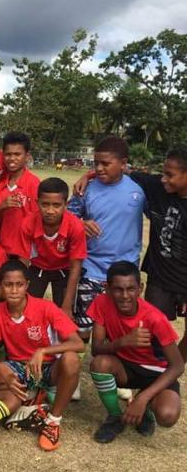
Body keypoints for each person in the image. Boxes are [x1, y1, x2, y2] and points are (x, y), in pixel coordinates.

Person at [75, 145, 187, 361]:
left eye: (170, 175)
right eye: (163, 173)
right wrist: (88, 175)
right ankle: (150, 368)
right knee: (152, 330)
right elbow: (116, 168)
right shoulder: (157, 187)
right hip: (159, 278)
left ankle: (173, 369)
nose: (163, 178)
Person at [0, 261, 84, 451]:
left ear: (27, 285)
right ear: (0, 286)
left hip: (48, 368)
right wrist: (6, 377)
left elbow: (78, 343)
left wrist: (43, 351)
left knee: (71, 359)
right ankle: (28, 401)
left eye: (19, 285)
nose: (13, 290)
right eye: (8, 285)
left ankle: (52, 421)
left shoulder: (46, 307)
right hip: (19, 367)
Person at [88, 261, 183, 443]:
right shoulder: (101, 302)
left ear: (140, 288)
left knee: (168, 415)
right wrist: (123, 342)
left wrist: (142, 398)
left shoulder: (155, 318)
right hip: (125, 368)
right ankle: (115, 417)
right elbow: (96, 349)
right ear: (107, 289)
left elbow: (177, 366)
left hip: (156, 374)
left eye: (131, 289)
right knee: (99, 364)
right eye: (118, 289)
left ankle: (144, 403)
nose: (125, 296)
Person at [67, 137, 146, 342]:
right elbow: (66, 216)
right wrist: (80, 224)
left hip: (125, 272)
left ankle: (111, 368)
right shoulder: (86, 189)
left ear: (123, 162)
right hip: (91, 269)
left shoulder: (140, 190)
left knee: (119, 328)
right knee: (82, 328)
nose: (99, 168)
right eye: (96, 164)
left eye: (105, 163)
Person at [14, 177, 86, 317]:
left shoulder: (75, 226)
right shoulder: (28, 223)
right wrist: (21, 293)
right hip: (37, 268)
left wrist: (67, 305)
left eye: (56, 205)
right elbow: (23, 261)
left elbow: (76, 267)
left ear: (66, 205)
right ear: (37, 203)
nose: (50, 211)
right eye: (45, 204)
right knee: (27, 310)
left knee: (64, 314)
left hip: (64, 270)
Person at [0, 132, 40, 256]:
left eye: (17, 154)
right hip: (3, 251)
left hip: (26, 253)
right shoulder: (0, 184)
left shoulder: (34, 184)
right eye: (8, 154)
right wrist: (1, 208)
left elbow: (39, 222)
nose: (12, 158)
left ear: (27, 156)